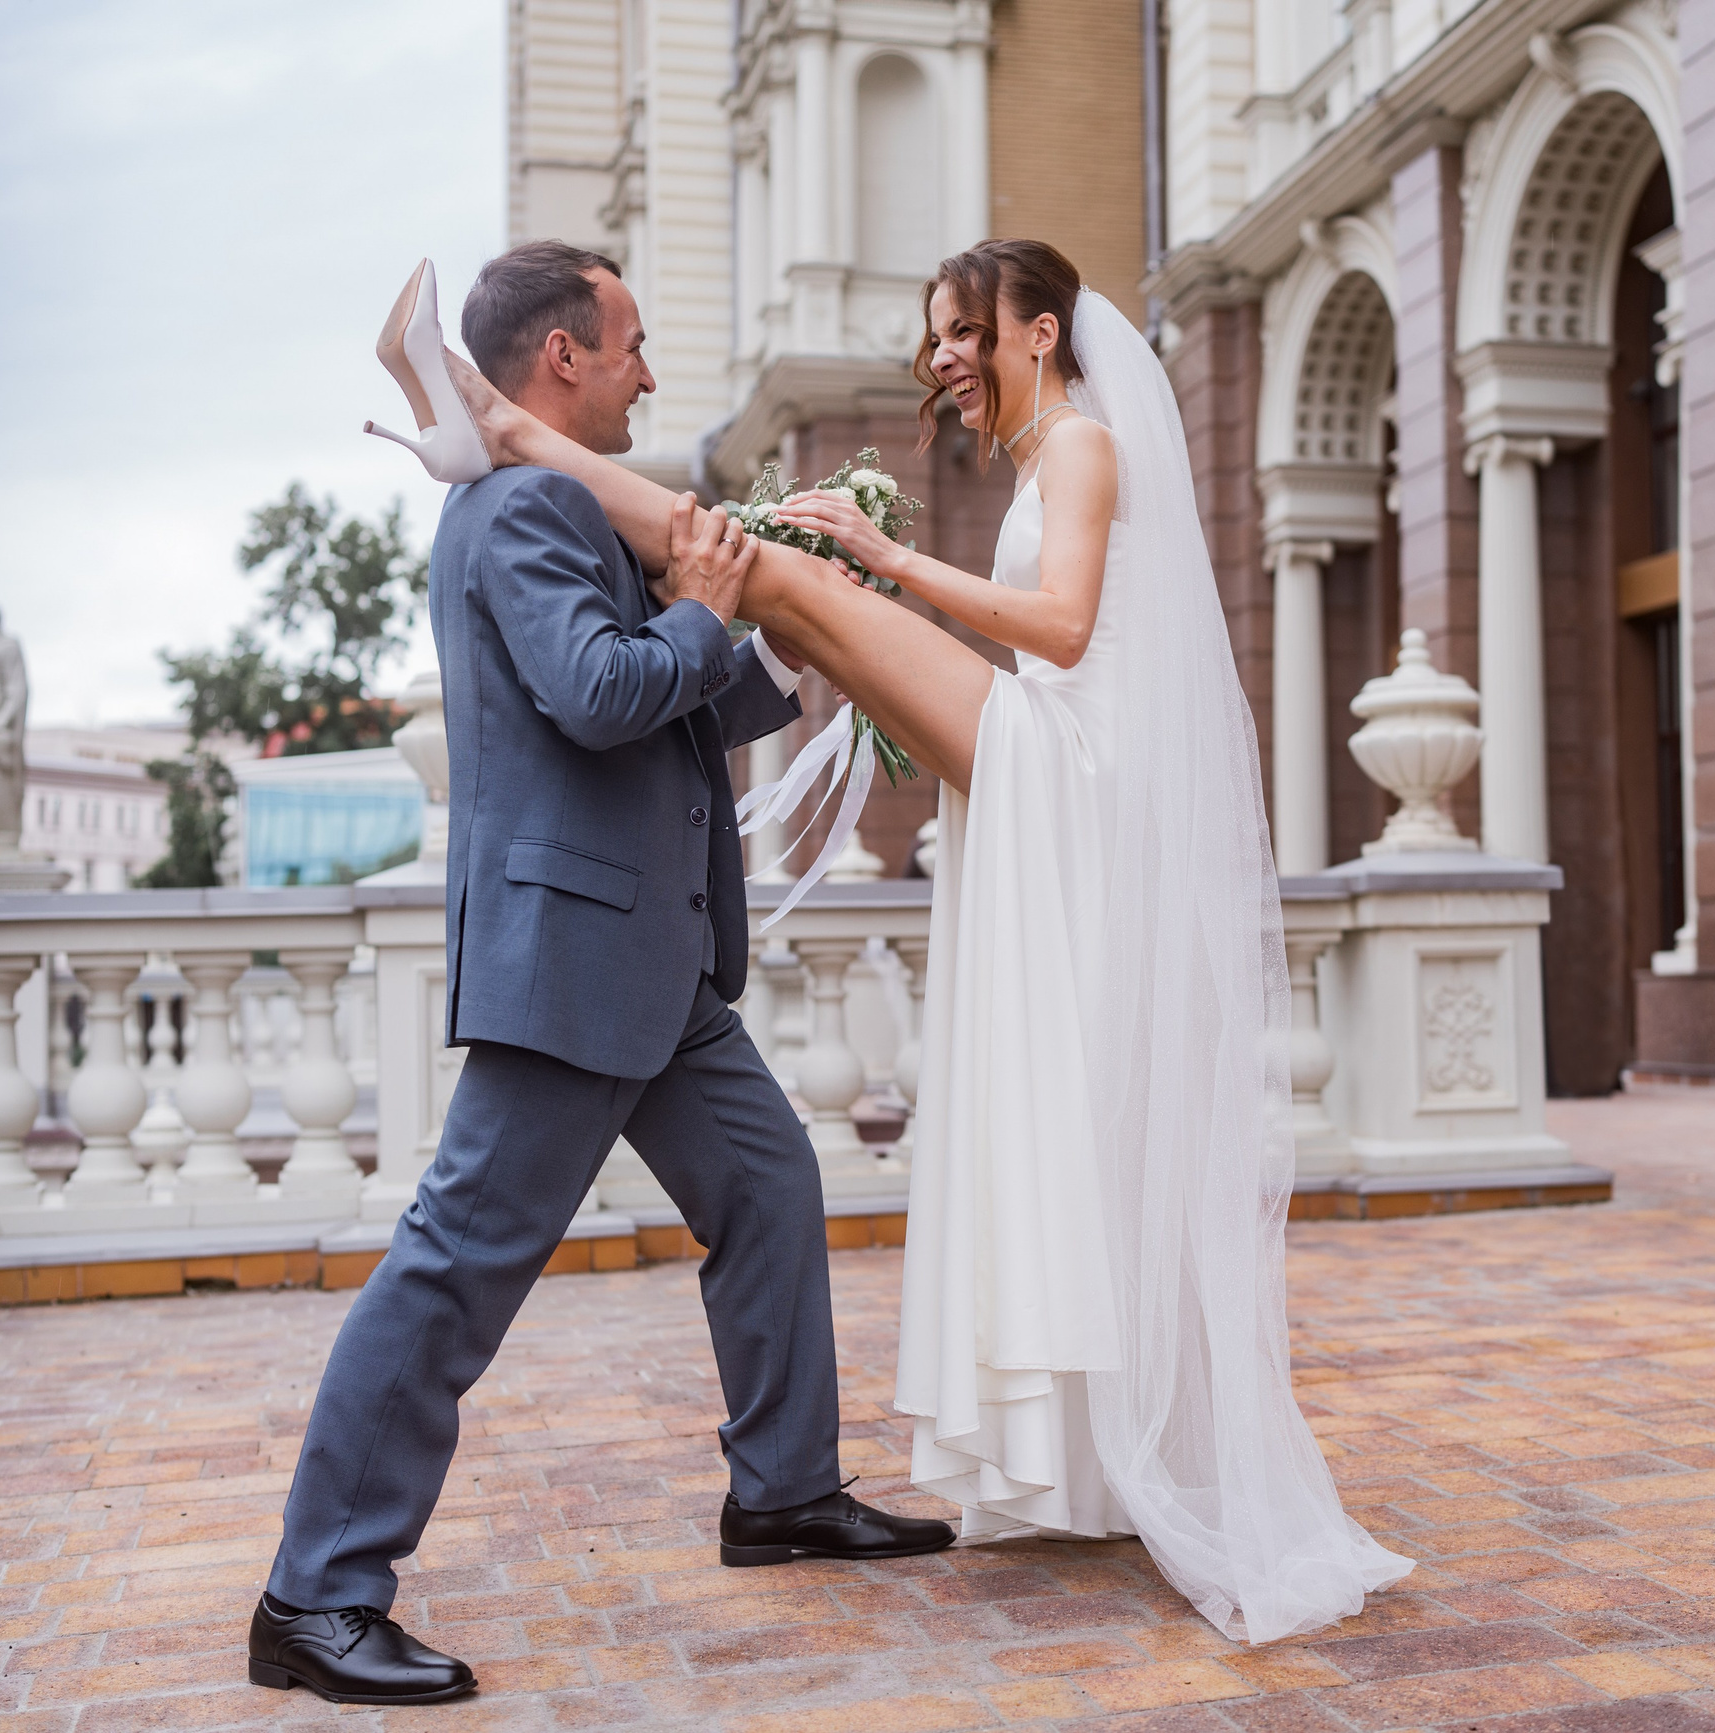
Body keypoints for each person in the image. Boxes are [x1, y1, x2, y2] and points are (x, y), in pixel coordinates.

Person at [414, 239, 1410, 1645]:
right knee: (792, 595)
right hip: (1051, 765)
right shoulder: (1040, 455)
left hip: (1073, 762)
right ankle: (819, 1484)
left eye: (964, 332)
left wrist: (888, 560)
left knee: (799, 584)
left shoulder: (1081, 449)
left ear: (1044, 331)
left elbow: (1061, 631)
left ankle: (511, 432)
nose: (944, 357)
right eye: (935, 334)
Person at [249, 242, 952, 1710]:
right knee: (455, 1272)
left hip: (650, 958)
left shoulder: (552, 503)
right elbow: (595, 689)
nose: (649, 372)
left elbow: (657, 694)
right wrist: (706, 615)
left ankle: (784, 1491)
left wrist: (764, 633)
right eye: (629, 344)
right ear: (560, 358)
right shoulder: (520, 508)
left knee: (768, 1186)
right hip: (573, 954)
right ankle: (316, 1596)